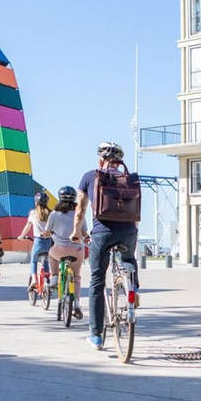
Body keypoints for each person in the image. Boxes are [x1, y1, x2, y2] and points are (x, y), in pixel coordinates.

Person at [72, 141, 139, 348]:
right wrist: (131, 231)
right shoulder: (130, 178)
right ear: (119, 162)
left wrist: (77, 231)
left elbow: (81, 210)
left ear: (100, 159)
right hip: (128, 230)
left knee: (97, 281)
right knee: (128, 259)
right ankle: (133, 289)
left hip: (102, 233)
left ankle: (96, 336)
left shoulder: (90, 176)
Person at [46, 186, 86, 320]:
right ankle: (77, 305)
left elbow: (47, 231)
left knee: (51, 255)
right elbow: (85, 233)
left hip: (59, 249)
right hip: (77, 250)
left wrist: (46, 234)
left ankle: (55, 276)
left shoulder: (54, 214)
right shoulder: (79, 214)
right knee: (76, 277)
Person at [18, 191, 53, 288]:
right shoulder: (51, 213)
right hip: (49, 242)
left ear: (36, 202)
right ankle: (47, 278)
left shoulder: (33, 213)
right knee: (45, 259)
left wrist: (21, 236)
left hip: (38, 242)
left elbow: (27, 227)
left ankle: (34, 280)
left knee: (33, 261)